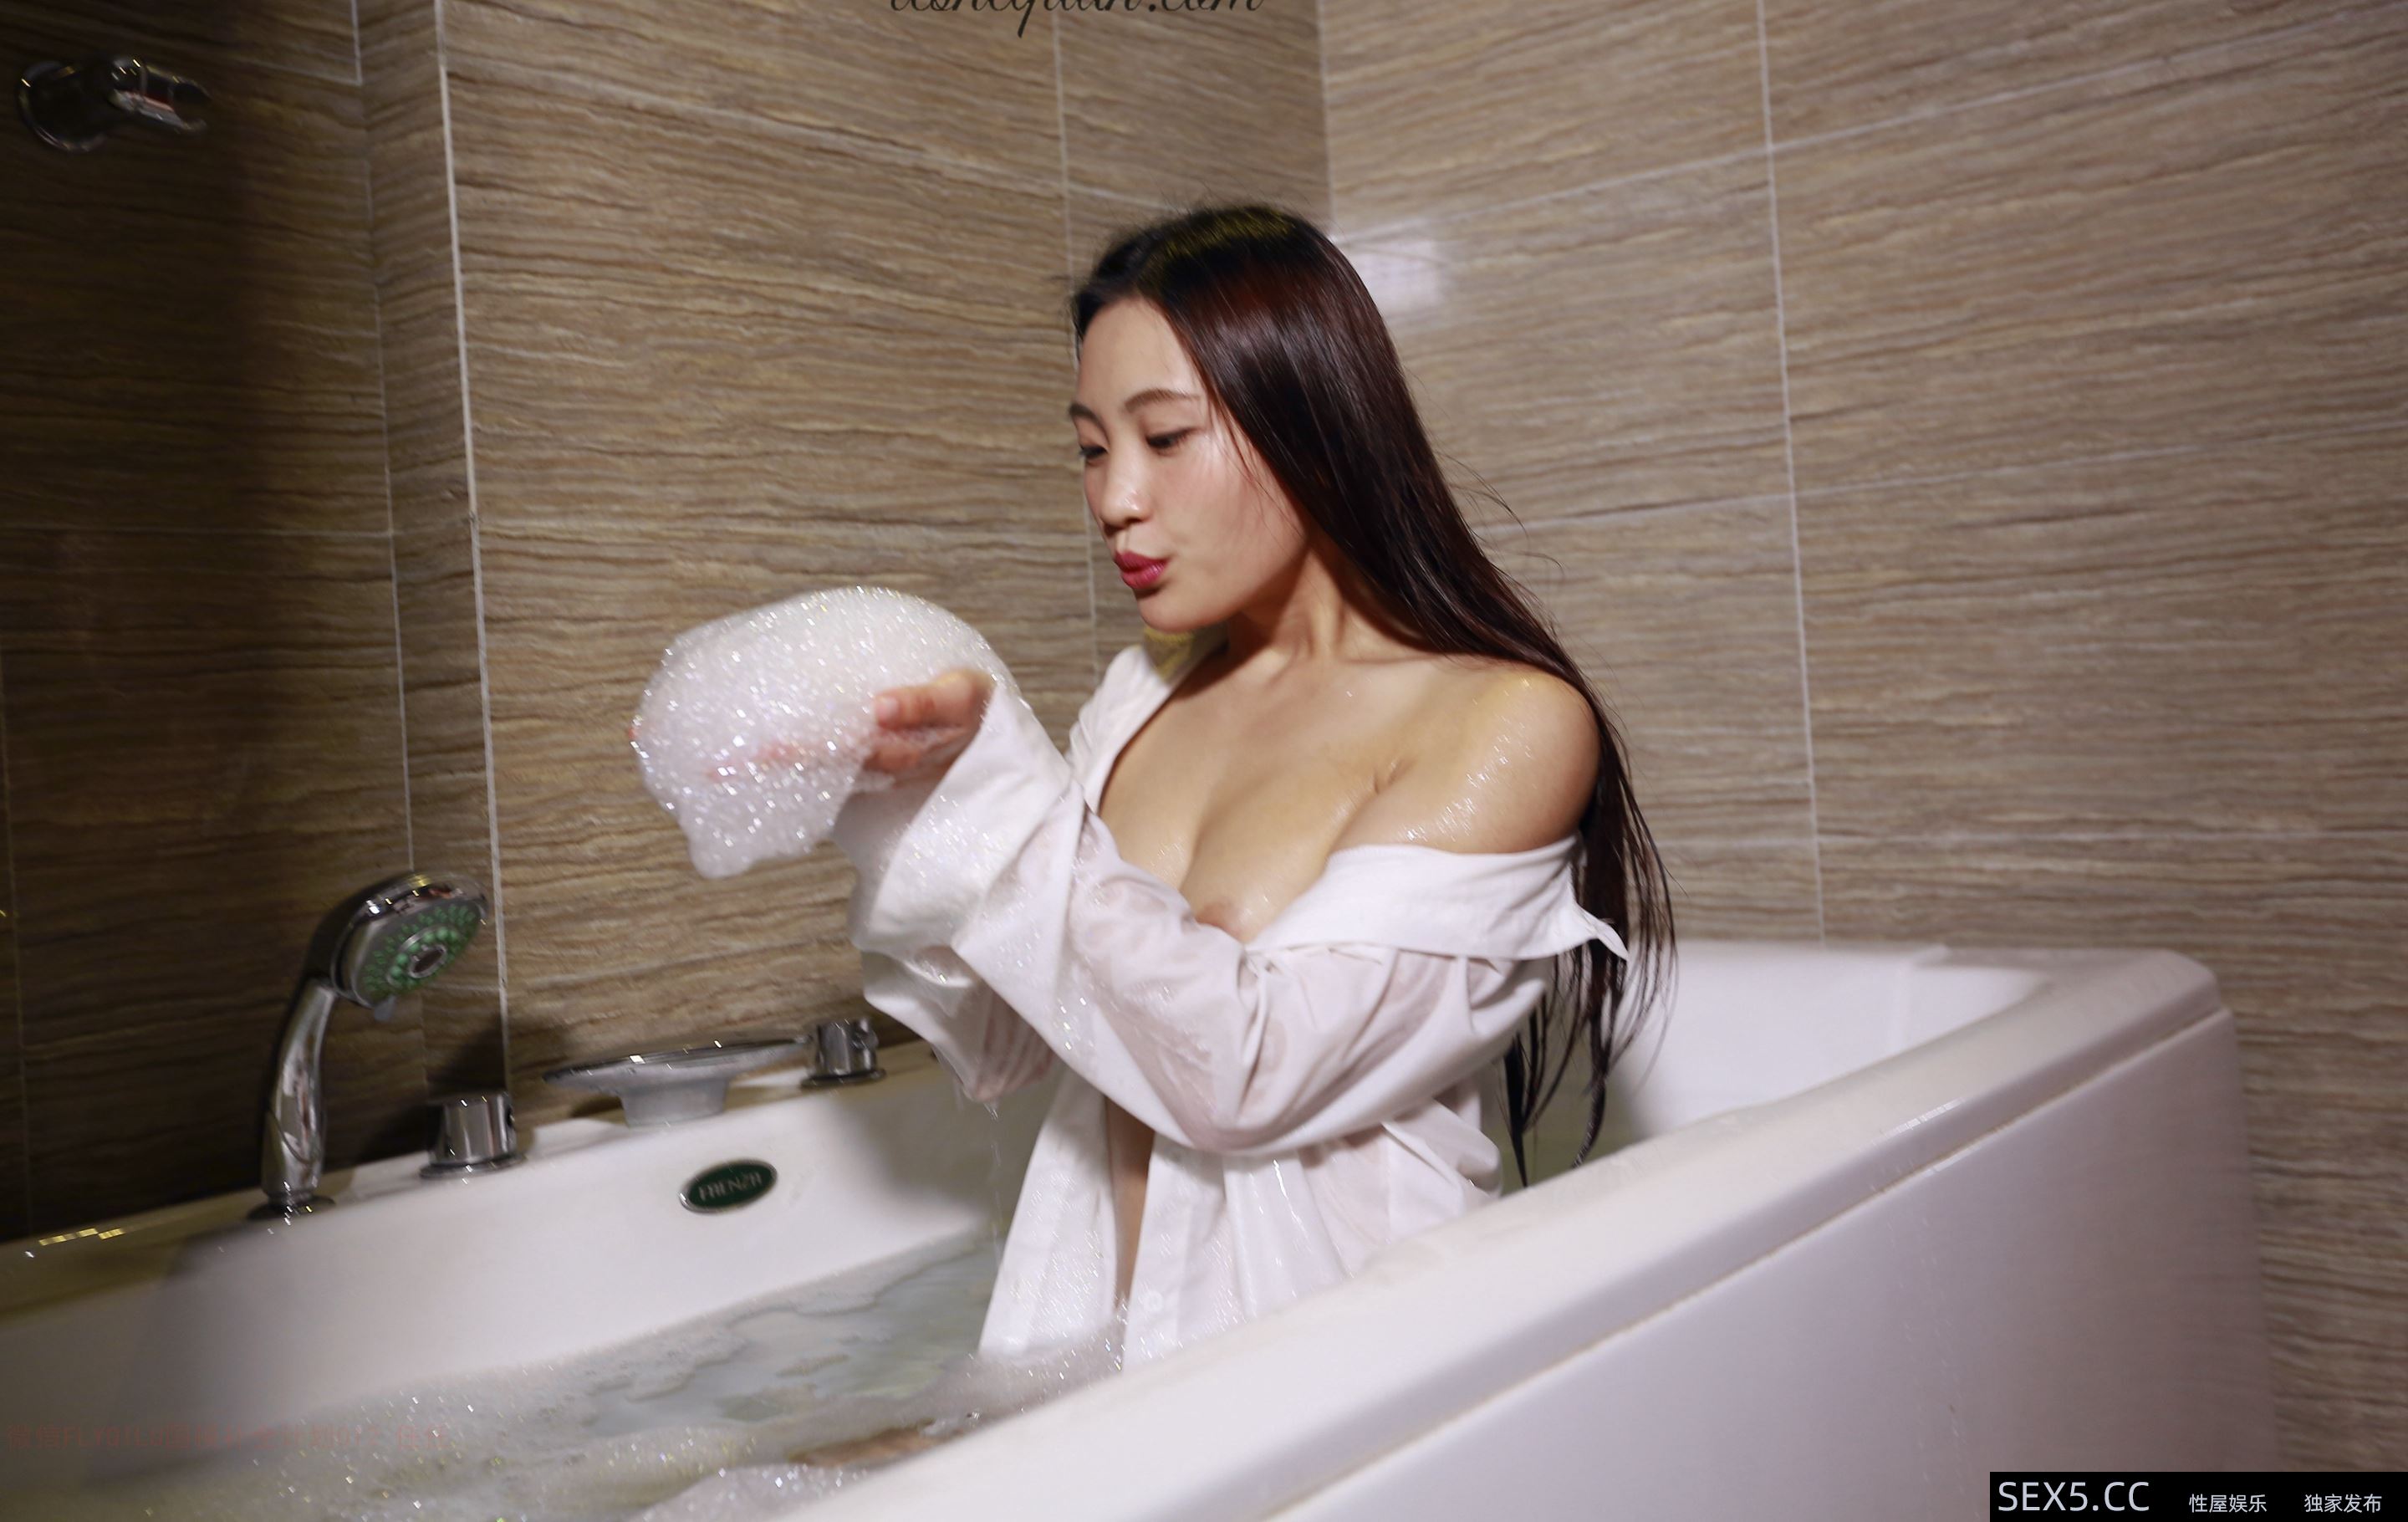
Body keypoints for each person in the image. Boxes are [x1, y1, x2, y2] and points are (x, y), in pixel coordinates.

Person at [806, 205, 1675, 1390]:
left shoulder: (1503, 722)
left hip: (1352, 1388)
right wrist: (913, 798)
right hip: (1099, 1375)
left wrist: (1004, 793)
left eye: (1165, 437)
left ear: (1313, 423)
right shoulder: (1141, 698)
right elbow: (1006, 1047)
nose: (1115, 498)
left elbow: (1245, 1075)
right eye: (1091, 449)